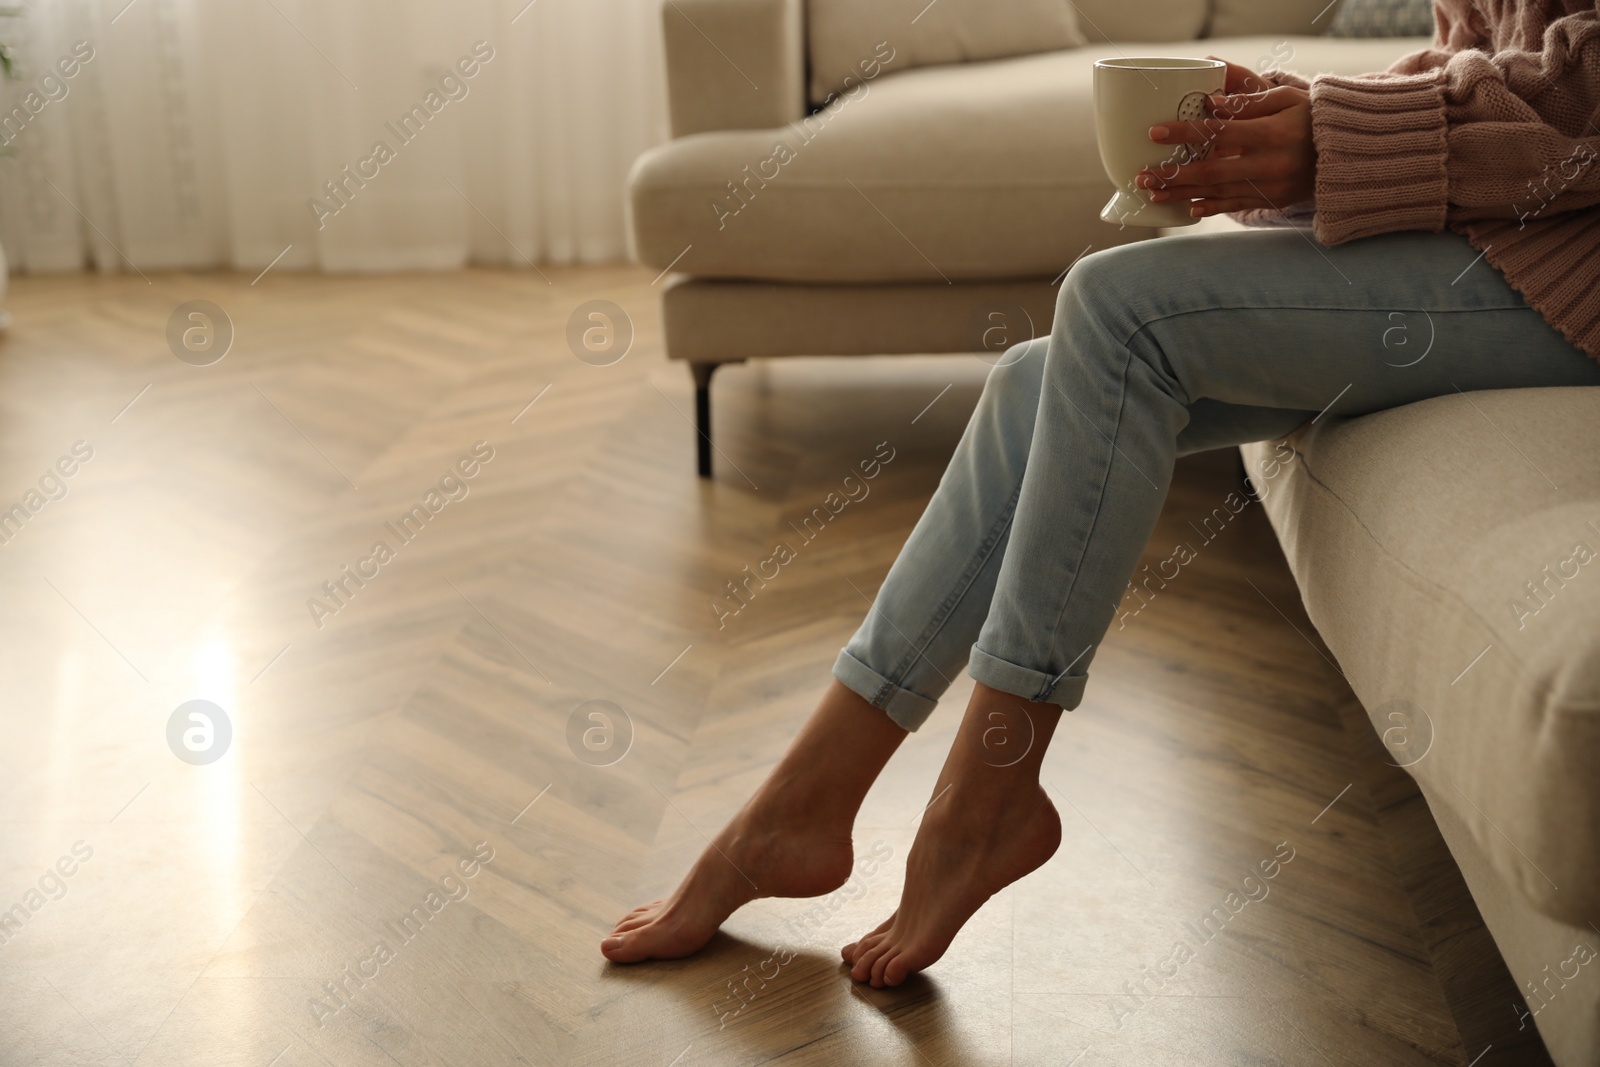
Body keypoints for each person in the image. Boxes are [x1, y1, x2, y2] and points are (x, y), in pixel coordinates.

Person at [602, 0, 1600, 987]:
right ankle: (802, 803)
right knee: (1034, 380)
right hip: (1522, 233)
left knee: (1117, 310)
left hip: (1578, 268)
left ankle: (986, 797)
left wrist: (1337, 138)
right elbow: (1483, 55)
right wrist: (1297, 126)